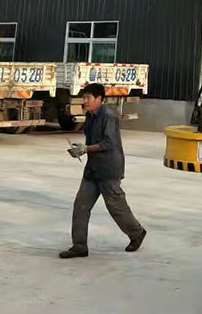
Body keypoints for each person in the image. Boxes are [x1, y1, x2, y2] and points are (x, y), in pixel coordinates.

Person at [59, 83, 146, 258]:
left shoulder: (108, 117)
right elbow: (91, 142)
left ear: (99, 99)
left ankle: (137, 233)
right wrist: (80, 149)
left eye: (88, 98)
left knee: (116, 207)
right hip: (93, 169)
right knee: (81, 206)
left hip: (109, 169)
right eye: (84, 98)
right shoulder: (90, 116)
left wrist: (85, 149)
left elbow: (109, 143)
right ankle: (79, 246)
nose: (85, 101)